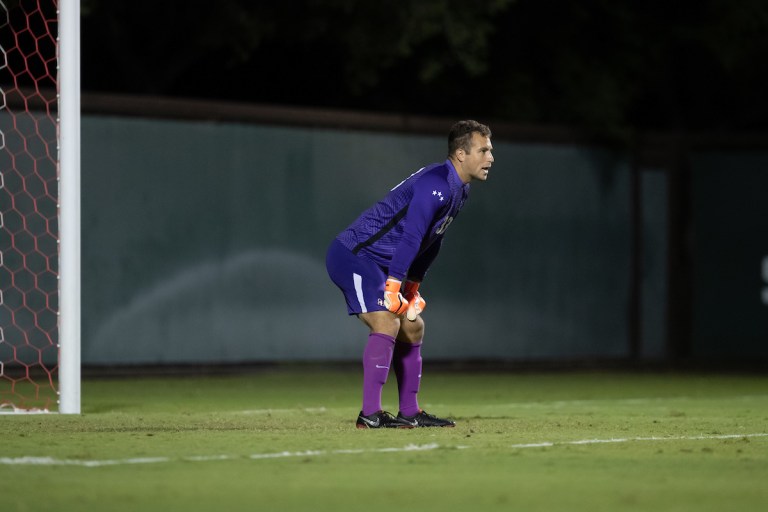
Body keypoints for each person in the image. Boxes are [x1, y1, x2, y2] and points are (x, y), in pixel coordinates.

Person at [326, 120, 494, 428]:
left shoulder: (460, 190)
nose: (491, 158)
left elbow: (433, 240)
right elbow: (411, 238)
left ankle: (409, 411)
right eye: (483, 150)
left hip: (384, 266)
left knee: (414, 328)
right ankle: (370, 415)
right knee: (387, 321)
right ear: (460, 153)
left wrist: (413, 285)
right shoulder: (437, 184)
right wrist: (394, 286)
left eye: (490, 150)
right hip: (354, 256)